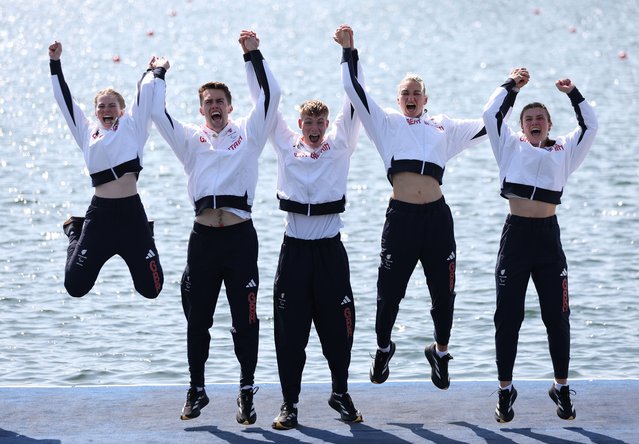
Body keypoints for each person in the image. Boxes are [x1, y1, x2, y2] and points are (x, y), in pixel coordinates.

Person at [340, 27, 486, 389]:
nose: (411, 97)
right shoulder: (386, 122)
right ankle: (383, 347)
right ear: (398, 98)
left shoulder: (443, 127)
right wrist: (349, 51)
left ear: (426, 99)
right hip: (401, 219)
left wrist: (511, 89)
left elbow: (491, 127)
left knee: (444, 292)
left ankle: (439, 353)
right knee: (389, 292)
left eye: (417, 93)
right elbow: (354, 91)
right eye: (405, 92)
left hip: (437, 219)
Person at [151, 30, 280, 424]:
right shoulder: (190, 138)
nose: (214, 107)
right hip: (203, 239)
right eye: (208, 103)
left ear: (230, 105)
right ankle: (197, 389)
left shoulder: (249, 134)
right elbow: (156, 113)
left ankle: (246, 390)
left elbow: (271, 97)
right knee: (198, 320)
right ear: (201, 109)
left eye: (220, 101)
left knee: (247, 319)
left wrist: (252, 58)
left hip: (241, 239)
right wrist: (157, 74)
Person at [482, 68, 597, 423]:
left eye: (541, 119)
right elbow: (491, 114)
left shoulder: (565, 150)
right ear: (521, 126)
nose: (535, 122)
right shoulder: (509, 145)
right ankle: (505, 391)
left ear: (549, 125)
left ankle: (561, 388)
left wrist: (574, 93)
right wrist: (512, 87)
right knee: (508, 319)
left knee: (557, 319)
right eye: (529, 119)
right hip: (515, 237)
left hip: (548, 239)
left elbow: (590, 126)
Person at [265, 26, 363, 430]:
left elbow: (354, 98)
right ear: (300, 124)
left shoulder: (341, 143)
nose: (316, 127)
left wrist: (349, 51)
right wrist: (254, 56)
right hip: (295, 251)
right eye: (309, 121)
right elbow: (267, 101)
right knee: (290, 335)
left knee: (339, 328)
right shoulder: (286, 142)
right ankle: (289, 403)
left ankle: (339, 391)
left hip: (329, 250)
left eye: (321, 121)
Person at [49, 41, 164, 300]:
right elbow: (63, 98)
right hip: (100, 215)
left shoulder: (133, 126)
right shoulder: (87, 131)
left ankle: (147, 235)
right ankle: (75, 232)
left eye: (112, 105)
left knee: (152, 289)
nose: (106, 109)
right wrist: (55, 63)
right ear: (95, 112)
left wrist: (152, 71)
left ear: (122, 110)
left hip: (132, 214)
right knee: (75, 287)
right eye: (101, 106)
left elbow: (145, 95)